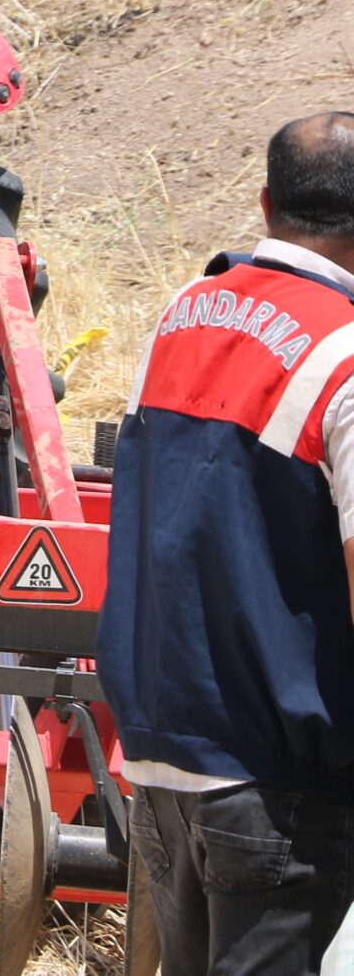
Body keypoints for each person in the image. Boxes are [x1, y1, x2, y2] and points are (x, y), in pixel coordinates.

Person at [100, 112, 354, 976]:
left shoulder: (180, 314)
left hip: (164, 767)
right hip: (279, 784)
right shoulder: (345, 355)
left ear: (265, 201)